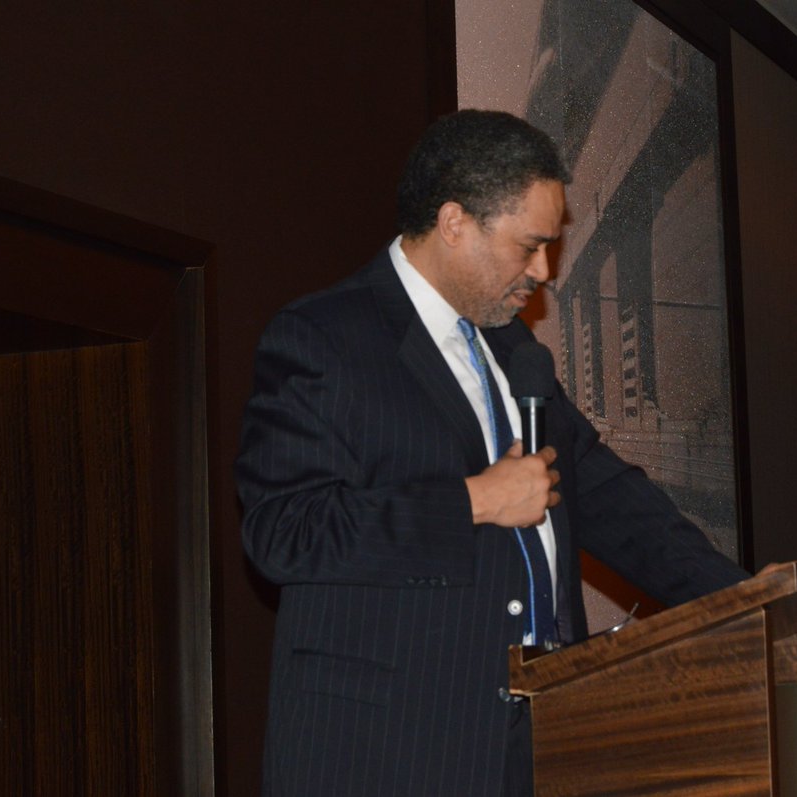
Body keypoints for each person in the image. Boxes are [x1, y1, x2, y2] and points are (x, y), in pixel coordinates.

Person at [235, 109, 750, 796]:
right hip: (390, 752)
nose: (544, 270)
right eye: (530, 245)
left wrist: (747, 604)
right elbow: (283, 532)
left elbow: (611, 500)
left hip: (541, 746)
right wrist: (474, 500)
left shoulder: (514, 351)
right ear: (455, 223)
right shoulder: (325, 338)